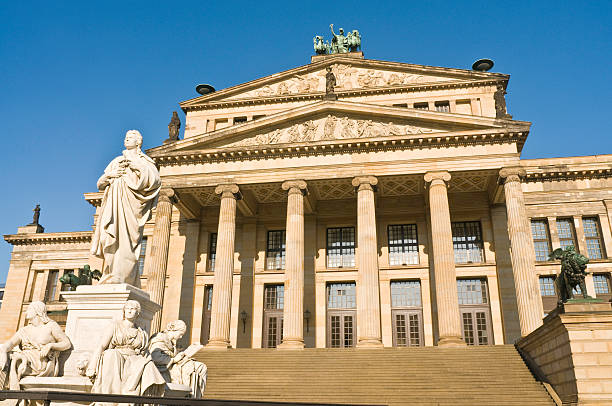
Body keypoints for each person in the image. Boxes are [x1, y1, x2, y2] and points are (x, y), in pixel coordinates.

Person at [91, 130, 161, 287]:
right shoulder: (117, 161)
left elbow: (155, 181)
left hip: (132, 205)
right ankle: (112, 272)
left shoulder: (145, 161)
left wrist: (136, 166)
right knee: (112, 236)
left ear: (138, 142)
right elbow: (100, 184)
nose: (126, 140)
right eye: (125, 138)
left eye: (130, 138)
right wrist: (111, 175)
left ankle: (123, 274)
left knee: (127, 239)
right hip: (114, 203)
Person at [86, 300, 165, 402]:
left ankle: (145, 400)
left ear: (138, 313)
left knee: (147, 364)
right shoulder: (115, 326)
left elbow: (145, 353)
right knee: (111, 354)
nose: (129, 311)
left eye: (132, 309)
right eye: (127, 308)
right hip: (118, 356)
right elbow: (101, 345)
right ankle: (111, 399)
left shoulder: (142, 332)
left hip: (134, 359)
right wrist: (92, 365)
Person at [0, 301, 71, 390]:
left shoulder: (51, 326)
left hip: (40, 362)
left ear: (37, 311)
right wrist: (3, 351)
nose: (26, 312)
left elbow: (66, 343)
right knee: (7, 356)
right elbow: (9, 344)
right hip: (25, 358)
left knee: (15, 359)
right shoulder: (24, 330)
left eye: (29, 309)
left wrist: (50, 346)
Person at [149, 320, 207, 398]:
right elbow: (156, 357)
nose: (181, 337)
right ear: (174, 330)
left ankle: (194, 398)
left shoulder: (171, 343)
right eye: (180, 334)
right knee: (195, 367)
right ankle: (190, 398)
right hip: (163, 369)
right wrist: (173, 360)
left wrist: (184, 354)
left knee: (199, 367)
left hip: (170, 366)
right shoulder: (159, 338)